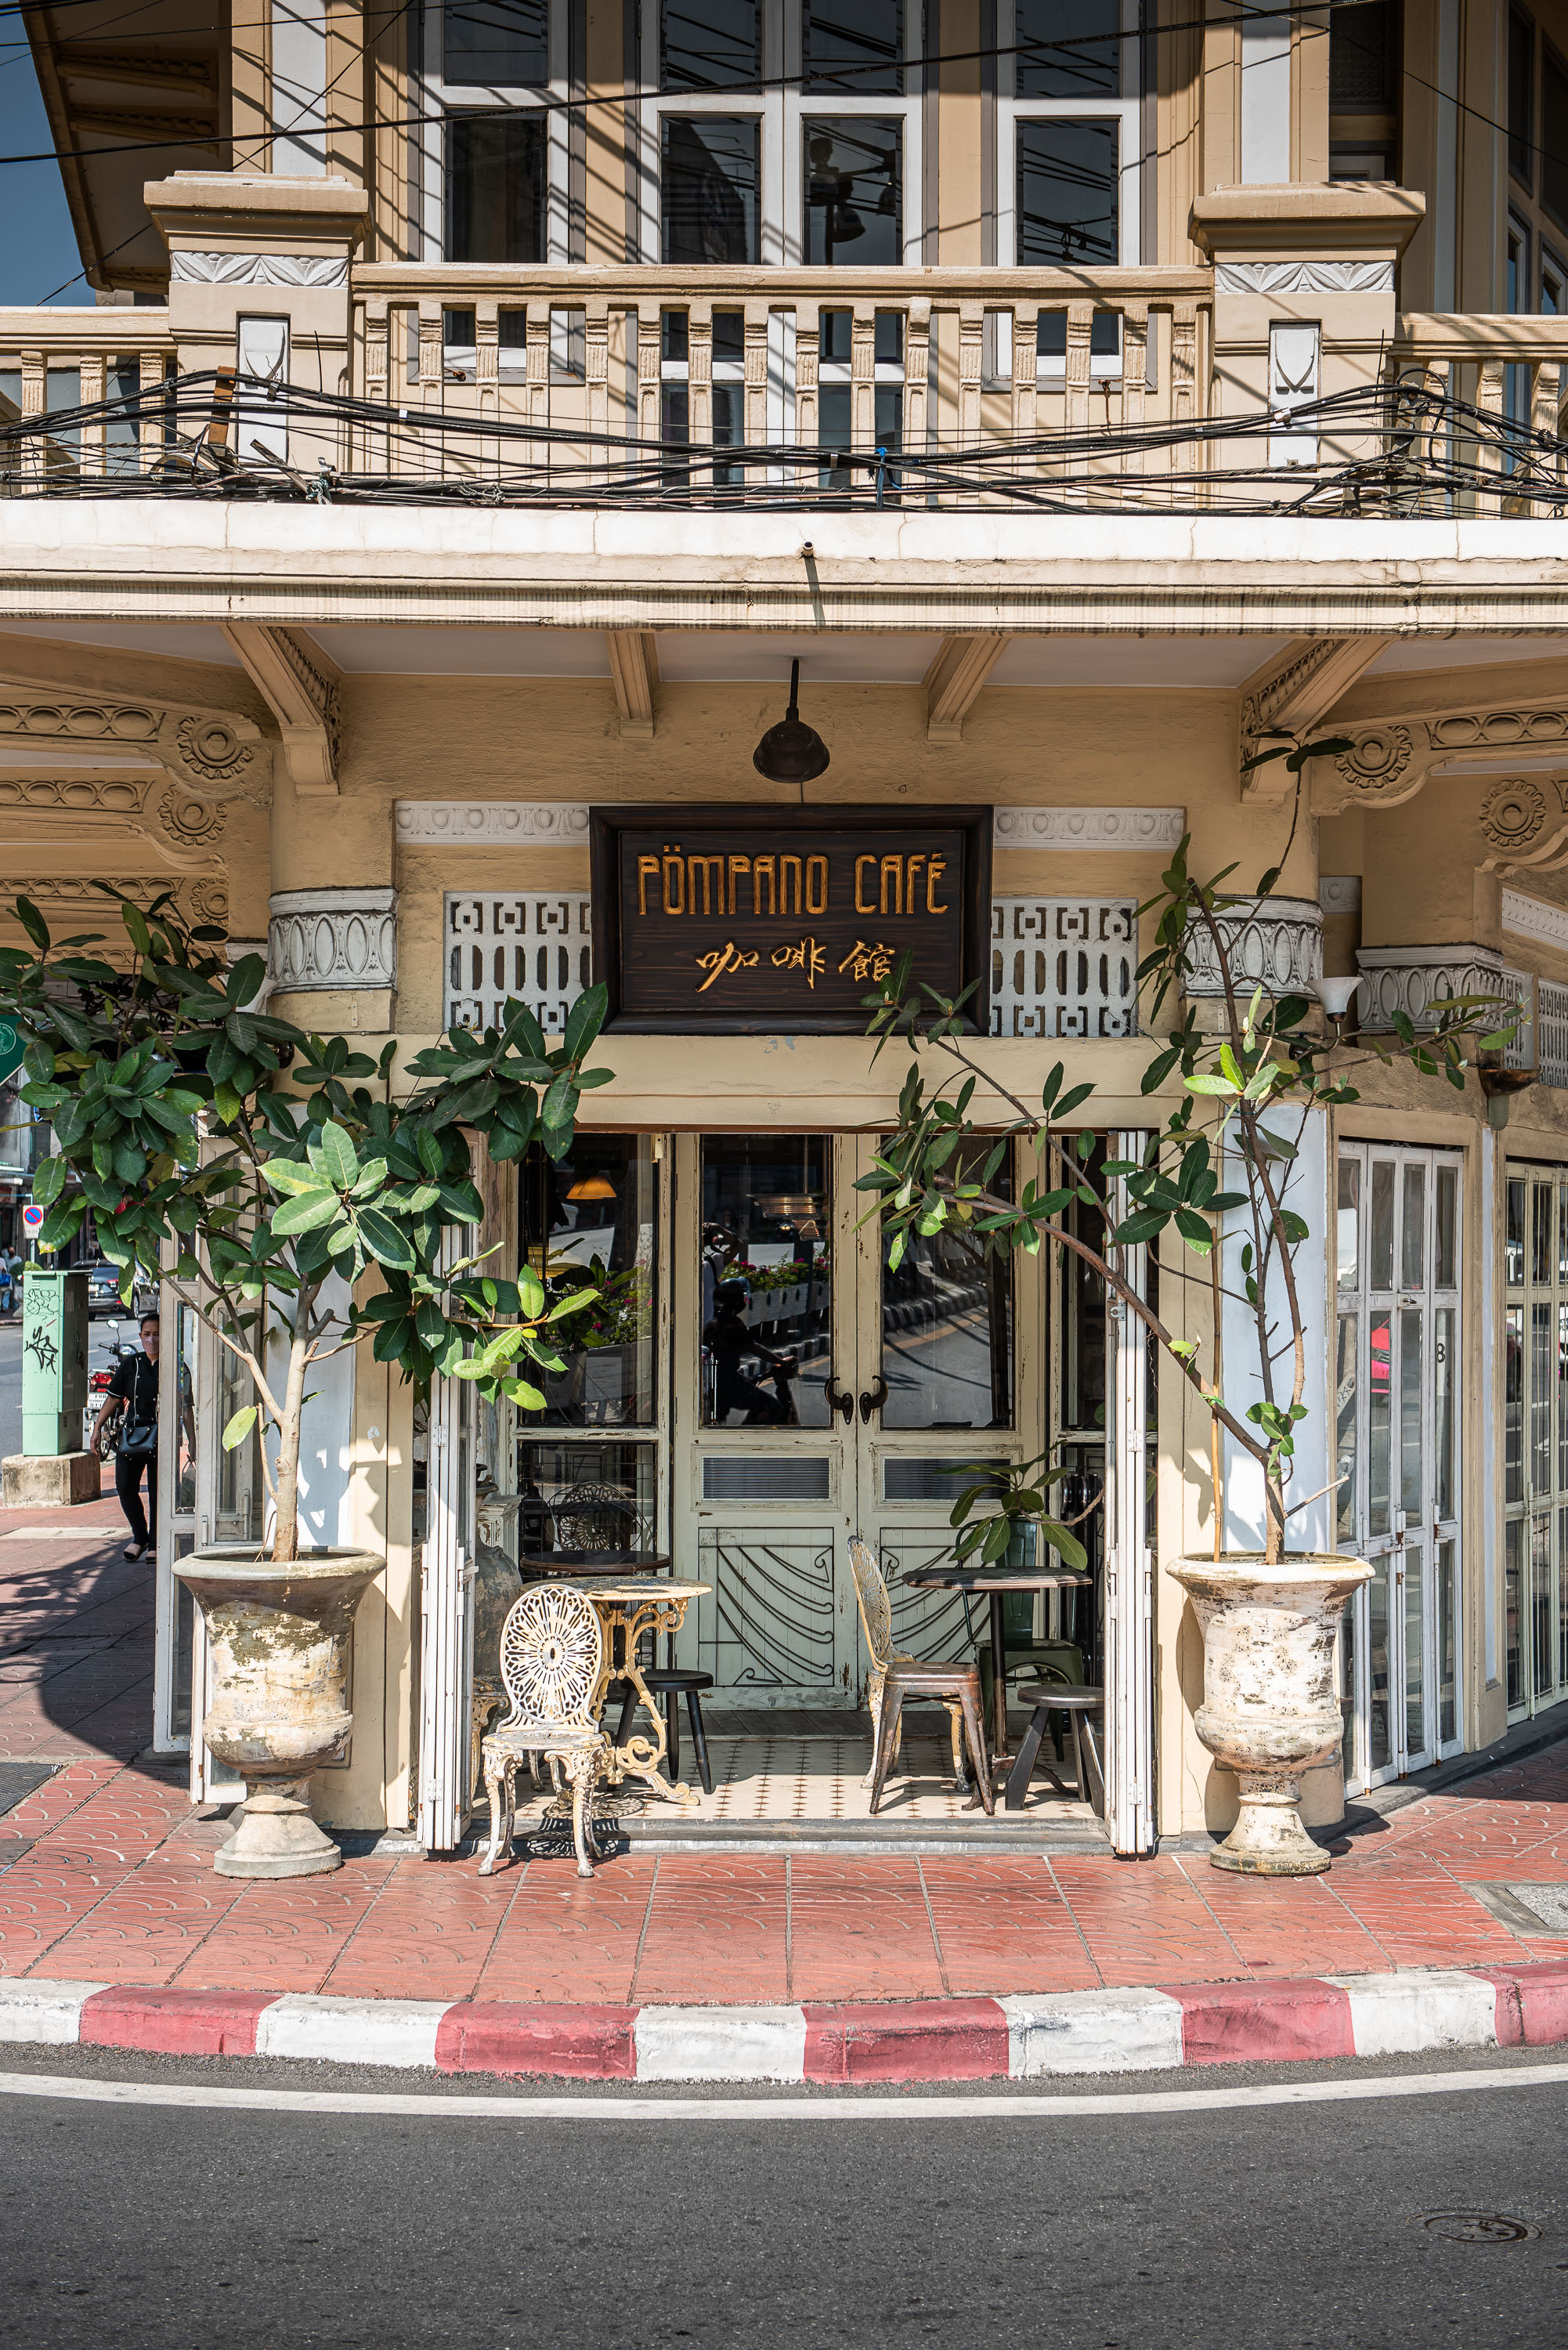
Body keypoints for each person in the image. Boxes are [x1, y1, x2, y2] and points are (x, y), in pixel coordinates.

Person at [90, 1311, 161, 1561]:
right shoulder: (131, 1364)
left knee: (158, 1492)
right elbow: (113, 1398)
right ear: (140, 1336)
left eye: (157, 1334)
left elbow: (185, 1406)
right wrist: (98, 1427)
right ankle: (140, 1536)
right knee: (124, 1486)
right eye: (147, 1334)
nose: (151, 1339)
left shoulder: (174, 1364)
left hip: (162, 1438)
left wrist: (192, 1442)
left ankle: (156, 1542)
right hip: (132, 1435)